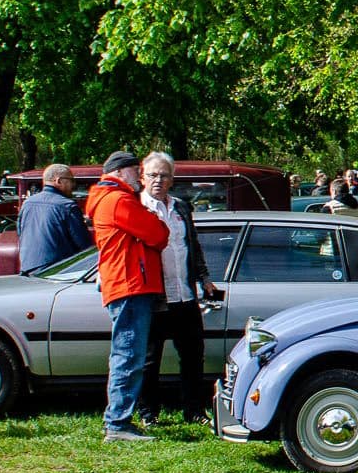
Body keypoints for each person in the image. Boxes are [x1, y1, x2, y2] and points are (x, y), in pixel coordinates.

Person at [84, 151, 169, 443]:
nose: (140, 176)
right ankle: (118, 423)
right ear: (120, 172)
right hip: (130, 284)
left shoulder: (109, 198)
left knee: (126, 353)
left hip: (126, 284)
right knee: (129, 355)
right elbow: (158, 235)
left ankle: (118, 420)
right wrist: (153, 219)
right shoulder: (119, 200)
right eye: (136, 170)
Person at [141, 152, 224, 422]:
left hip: (185, 295)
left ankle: (194, 411)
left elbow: (192, 245)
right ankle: (148, 413)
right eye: (153, 175)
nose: (158, 180)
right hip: (155, 297)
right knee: (149, 360)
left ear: (172, 179)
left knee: (192, 356)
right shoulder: (138, 208)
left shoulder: (180, 208)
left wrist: (204, 277)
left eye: (164, 175)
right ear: (143, 177)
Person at [17, 163, 93, 271]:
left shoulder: (27, 203)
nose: (73, 185)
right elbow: (84, 244)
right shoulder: (67, 206)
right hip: (57, 271)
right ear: (58, 181)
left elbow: (20, 232)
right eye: (71, 180)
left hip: (27, 268)